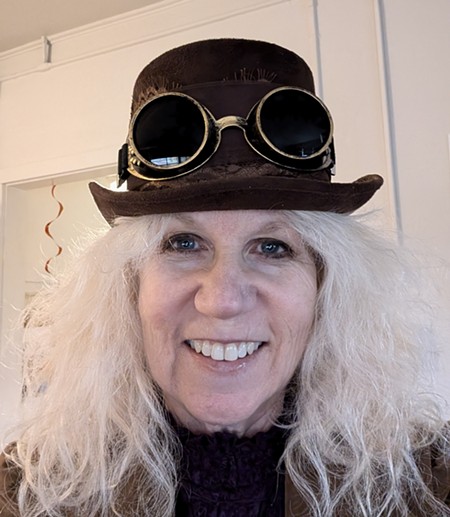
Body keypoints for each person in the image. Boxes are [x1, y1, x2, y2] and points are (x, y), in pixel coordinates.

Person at [0, 38, 449, 517]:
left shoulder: (428, 481)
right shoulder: (28, 492)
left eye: (272, 247)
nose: (222, 300)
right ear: (130, 286)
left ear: (325, 288)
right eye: (183, 244)